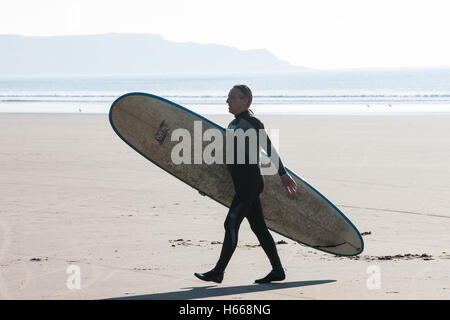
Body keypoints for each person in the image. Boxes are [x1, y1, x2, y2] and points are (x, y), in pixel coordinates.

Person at [194, 85, 297, 284]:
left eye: (232, 97)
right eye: (228, 97)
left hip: (250, 181)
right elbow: (227, 158)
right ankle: (277, 270)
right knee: (258, 227)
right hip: (241, 182)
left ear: (244, 100)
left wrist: (283, 173)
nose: (227, 100)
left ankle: (218, 271)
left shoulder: (252, 122)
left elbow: (268, 147)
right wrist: (208, 183)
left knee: (231, 222)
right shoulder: (233, 125)